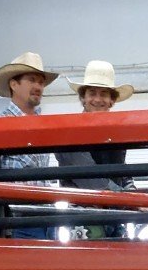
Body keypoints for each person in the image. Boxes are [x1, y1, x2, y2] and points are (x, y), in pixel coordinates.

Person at [55, 60, 135, 239]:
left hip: (115, 215)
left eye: (104, 94)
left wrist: (133, 194)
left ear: (111, 100)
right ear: (83, 97)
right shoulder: (70, 133)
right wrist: (132, 200)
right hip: (84, 216)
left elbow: (123, 172)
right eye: (92, 93)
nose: (97, 99)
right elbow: (92, 181)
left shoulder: (115, 133)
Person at [0, 52, 59, 239]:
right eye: (32, 80)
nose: (38, 86)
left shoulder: (43, 125)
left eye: (41, 82)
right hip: (17, 218)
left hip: (46, 216)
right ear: (14, 84)